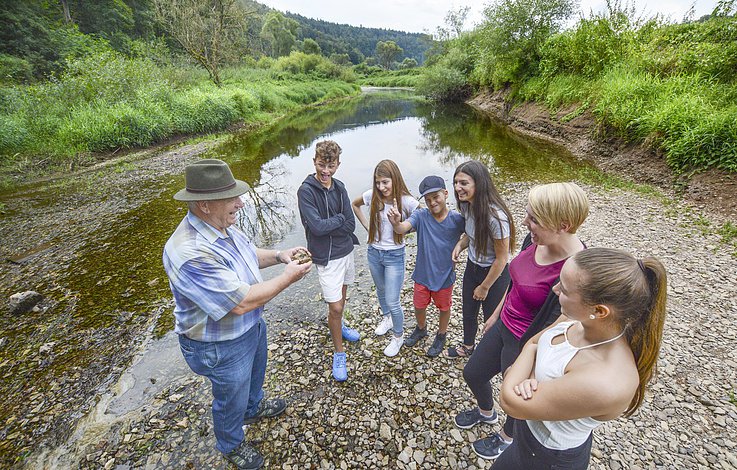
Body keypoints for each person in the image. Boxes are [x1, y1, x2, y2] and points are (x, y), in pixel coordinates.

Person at [162, 159, 312, 470]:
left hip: (249, 327)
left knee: (254, 376)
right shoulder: (188, 251)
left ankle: (253, 406)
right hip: (219, 344)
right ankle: (231, 443)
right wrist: (288, 276)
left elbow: (247, 255)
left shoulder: (220, 224)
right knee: (230, 396)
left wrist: (279, 255)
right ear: (205, 204)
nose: (240, 203)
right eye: (232, 198)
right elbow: (240, 302)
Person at [494, 248, 667, 469]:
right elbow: (531, 347)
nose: (555, 290)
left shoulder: (608, 380)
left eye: (564, 289)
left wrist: (526, 367)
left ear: (600, 310)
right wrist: (526, 372)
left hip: (546, 458)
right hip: (526, 435)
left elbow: (510, 400)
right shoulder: (578, 317)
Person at [456, 182, 589, 461]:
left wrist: (530, 359)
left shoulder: (575, 269)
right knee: (473, 373)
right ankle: (485, 412)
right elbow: (516, 282)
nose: (526, 223)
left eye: (534, 219)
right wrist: (494, 314)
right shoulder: (536, 239)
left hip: (526, 340)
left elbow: (562, 324)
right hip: (504, 324)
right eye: (528, 215)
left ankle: (507, 437)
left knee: (516, 398)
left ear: (562, 225)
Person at [297, 140, 361, 382]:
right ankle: (339, 353)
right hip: (326, 258)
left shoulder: (340, 187)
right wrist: (338, 220)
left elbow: (351, 223)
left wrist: (333, 223)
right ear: (314, 162)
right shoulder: (306, 191)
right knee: (334, 307)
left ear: (338, 164)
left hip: (346, 251)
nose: (326, 171)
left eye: (331, 165)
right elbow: (317, 227)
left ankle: (340, 327)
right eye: (322, 165)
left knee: (341, 304)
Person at [387, 175, 465, 357]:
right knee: (419, 305)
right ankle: (421, 328)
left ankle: (441, 334)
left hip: (445, 276)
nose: (432, 202)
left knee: (444, 307)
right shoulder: (421, 216)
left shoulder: (457, 219)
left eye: (436, 197)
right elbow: (402, 229)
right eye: (428, 200)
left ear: (446, 194)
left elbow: (472, 233)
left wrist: (460, 245)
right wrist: (396, 222)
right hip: (422, 275)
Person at [445, 160, 516, 358]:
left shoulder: (496, 217)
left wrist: (485, 287)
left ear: (479, 183)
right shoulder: (468, 207)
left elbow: (502, 259)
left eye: (464, 183)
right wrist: (460, 245)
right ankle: (468, 347)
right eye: (456, 183)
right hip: (472, 267)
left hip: (494, 274)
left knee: (491, 318)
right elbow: (471, 234)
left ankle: (488, 355)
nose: (458, 188)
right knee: (468, 311)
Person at [352, 160, 419, 357]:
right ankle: (387, 319)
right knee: (381, 291)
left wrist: (402, 225)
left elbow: (422, 219)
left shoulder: (407, 201)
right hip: (373, 252)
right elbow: (355, 205)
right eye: (378, 182)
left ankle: (398, 336)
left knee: (392, 299)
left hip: (394, 256)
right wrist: (367, 227)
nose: (381, 187)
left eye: (385, 182)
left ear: (394, 179)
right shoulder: (372, 195)